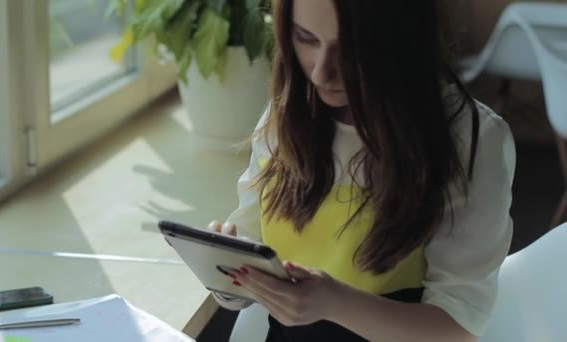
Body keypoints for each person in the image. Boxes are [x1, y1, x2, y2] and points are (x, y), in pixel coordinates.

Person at [208, 0, 515, 341]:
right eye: (306, 37)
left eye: (350, 50)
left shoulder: (470, 139)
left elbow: (457, 329)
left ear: (404, 41)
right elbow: (252, 236)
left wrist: (335, 303)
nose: (321, 72)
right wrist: (232, 275)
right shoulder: (287, 116)